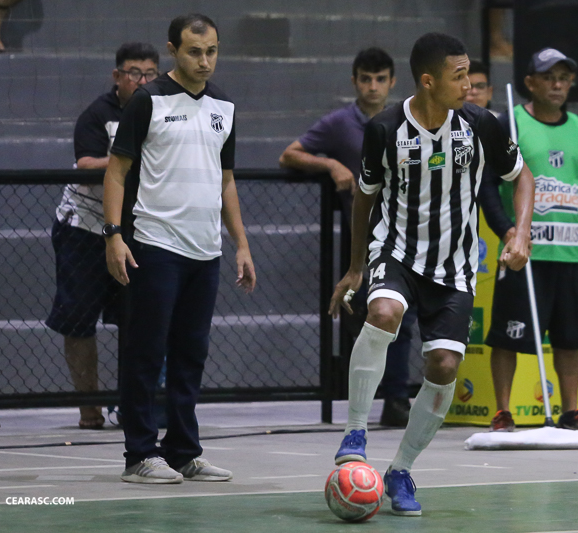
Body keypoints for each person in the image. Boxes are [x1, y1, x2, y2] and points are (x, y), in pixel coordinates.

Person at [329, 32, 535, 515]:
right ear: (428, 81)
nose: (469, 84)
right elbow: (364, 198)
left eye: (469, 74)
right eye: (458, 75)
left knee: (443, 367)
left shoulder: (481, 125)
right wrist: (357, 266)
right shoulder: (384, 129)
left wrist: (520, 232)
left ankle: (400, 470)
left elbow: (520, 176)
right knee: (382, 313)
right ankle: (355, 429)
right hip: (396, 251)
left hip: (456, 265)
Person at [103, 13, 256, 484]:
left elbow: (226, 181)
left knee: (191, 354)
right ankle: (139, 455)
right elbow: (116, 171)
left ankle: (184, 451)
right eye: (194, 51)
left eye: (211, 50)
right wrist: (113, 235)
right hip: (154, 245)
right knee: (146, 352)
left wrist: (241, 245)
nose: (204, 60)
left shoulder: (224, 106)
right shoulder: (147, 101)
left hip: (204, 251)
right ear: (173, 50)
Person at [279, 48, 413, 427]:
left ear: (392, 81)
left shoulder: (405, 119)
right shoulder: (339, 123)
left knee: (403, 318)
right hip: (364, 243)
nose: (373, 87)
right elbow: (289, 154)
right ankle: (360, 408)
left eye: (380, 79)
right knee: (364, 322)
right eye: (366, 79)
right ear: (354, 81)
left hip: (405, 236)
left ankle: (398, 399)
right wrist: (331, 163)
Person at [481, 48, 578, 433]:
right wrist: (508, 231)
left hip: (567, 250)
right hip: (523, 254)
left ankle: (571, 411)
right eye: (549, 77)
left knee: (571, 338)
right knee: (508, 335)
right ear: (530, 82)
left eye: (564, 78)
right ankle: (503, 411)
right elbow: (487, 187)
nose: (557, 84)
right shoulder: (510, 124)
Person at [45, 42, 160, 430]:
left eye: (149, 74)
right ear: (117, 76)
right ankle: (89, 408)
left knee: (136, 321)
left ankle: (133, 408)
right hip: (85, 228)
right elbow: (87, 164)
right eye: (134, 74)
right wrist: (127, 155)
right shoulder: (97, 115)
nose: (142, 81)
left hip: (135, 232)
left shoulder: (161, 109)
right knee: (79, 319)